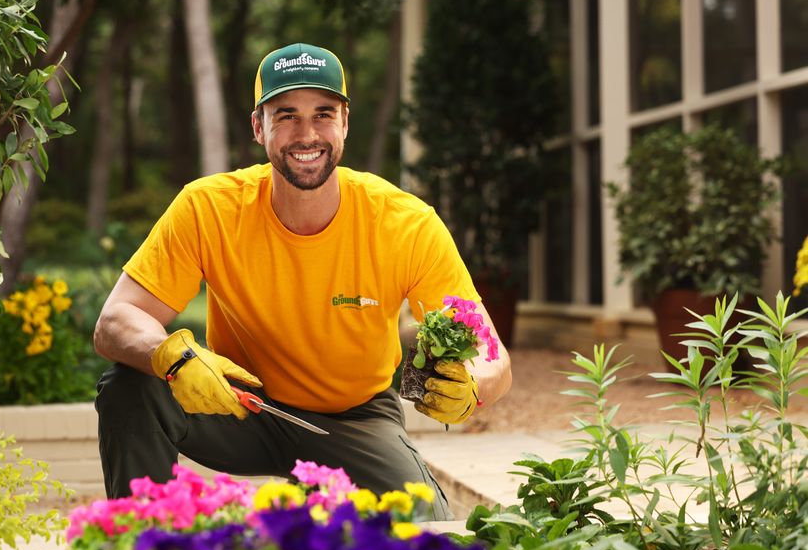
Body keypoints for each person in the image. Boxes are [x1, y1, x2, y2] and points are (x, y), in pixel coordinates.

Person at [92, 42, 512, 520]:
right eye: (286, 115)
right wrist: (173, 358)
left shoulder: (405, 224)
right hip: (240, 404)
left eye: (323, 114)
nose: (307, 133)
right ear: (258, 127)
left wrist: (473, 385)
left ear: (345, 122)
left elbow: (492, 355)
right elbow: (115, 321)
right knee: (129, 386)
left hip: (353, 418)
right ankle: (139, 547)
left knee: (426, 529)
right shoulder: (207, 208)